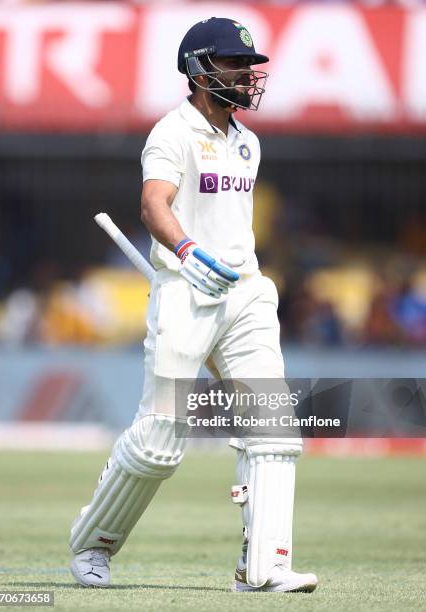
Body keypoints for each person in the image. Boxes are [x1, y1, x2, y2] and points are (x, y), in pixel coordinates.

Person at [69, 17, 318, 593]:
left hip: (246, 292)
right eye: (234, 64)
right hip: (186, 292)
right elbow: (154, 203)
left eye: (249, 66)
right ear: (200, 70)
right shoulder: (171, 132)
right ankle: (92, 546)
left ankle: (264, 569)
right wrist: (186, 251)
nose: (246, 75)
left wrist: (225, 267)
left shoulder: (248, 142)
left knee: (274, 430)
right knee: (161, 440)